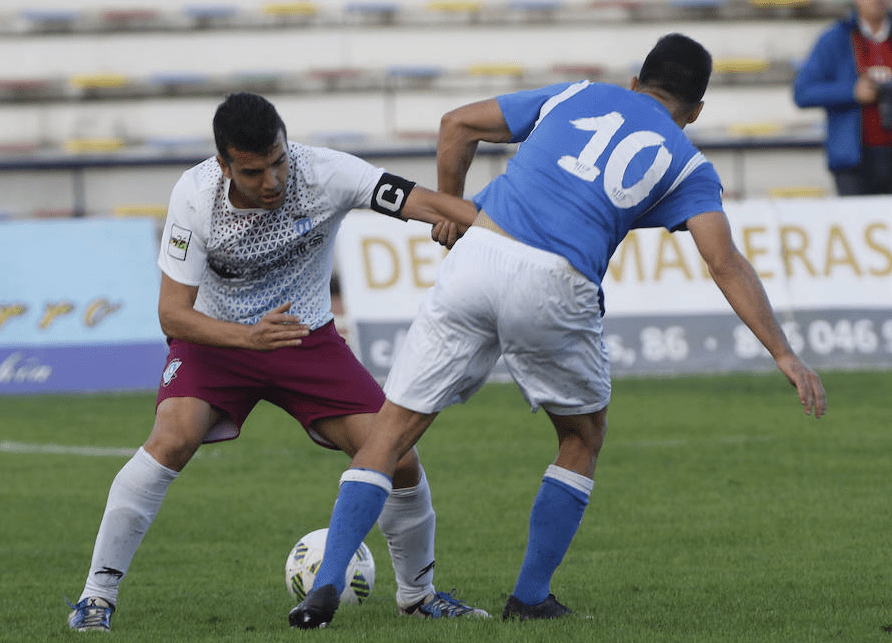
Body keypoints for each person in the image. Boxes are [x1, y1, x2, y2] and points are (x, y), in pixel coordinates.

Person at [289, 33, 828, 629]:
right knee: (582, 435)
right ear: (697, 111)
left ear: (634, 81)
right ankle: (530, 596)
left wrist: (448, 208)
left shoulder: (579, 94)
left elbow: (455, 125)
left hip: (479, 253)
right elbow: (725, 262)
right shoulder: (686, 161)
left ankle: (327, 584)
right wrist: (784, 353)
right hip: (554, 279)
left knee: (389, 433)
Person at [67, 92, 487, 632]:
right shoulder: (195, 196)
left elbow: (425, 202)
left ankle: (419, 595)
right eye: (253, 171)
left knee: (398, 455)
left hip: (305, 340)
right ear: (224, 164)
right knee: (170, 439)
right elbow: (173, 316)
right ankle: (96, 597)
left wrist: (502, 231)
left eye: (279, 161)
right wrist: (247, 339)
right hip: (216, 342)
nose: (272, 181)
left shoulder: (327, 173)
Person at [794, 0, 892, 195]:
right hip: (854, 161)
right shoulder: (836, 38)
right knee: (858, 222)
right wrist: (852, 92)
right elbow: (803, 92)